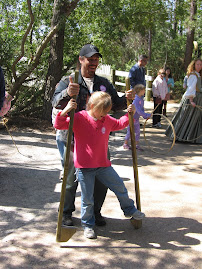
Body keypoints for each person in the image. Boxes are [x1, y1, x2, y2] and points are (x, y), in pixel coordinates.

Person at [51, 44, 135, 227]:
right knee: (71, 177)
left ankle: (95, 212)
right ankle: (66, 212)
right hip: (71, 138)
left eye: (96, 59)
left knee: (101, 178)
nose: (93, 62)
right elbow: (55, 101)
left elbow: (115, 104)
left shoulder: (102, 83)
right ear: (81, 59)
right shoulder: (69, 81)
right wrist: (67, 93)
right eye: (90, 59)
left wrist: (128, 98)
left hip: (97, 140)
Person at [54, 91, 145, 239]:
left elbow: (120, 123)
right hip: (84, 168)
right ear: (91, 106)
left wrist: (130, 113)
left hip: (103, 165)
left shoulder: (106, 120)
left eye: (106, 113)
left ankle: (129, 210)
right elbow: (59, 124)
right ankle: (88, 225)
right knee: (87, 199)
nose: (103, 116)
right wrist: (65, 110)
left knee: (119, 186)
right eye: (101, 113)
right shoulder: (79, 118)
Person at [166, 58, 202, 143]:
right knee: (186, 117)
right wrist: (191, 100)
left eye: (200, 65)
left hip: (197, 98)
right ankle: (181, 136)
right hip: (192, 98)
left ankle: (188, 137)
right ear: (194, 65)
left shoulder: (197, 74)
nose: (199, 66)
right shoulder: (193, 75)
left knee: (194, 119)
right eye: (198, 64)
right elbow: (191, 88)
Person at [123, 84, 151, 151]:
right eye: (144, 90)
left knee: (138, 132)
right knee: (130, 132)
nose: (144, 91)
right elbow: (138, 111)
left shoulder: (141, 99)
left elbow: (141, 109)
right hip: (131, 118)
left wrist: (145, 116)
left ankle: (136, 144)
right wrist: (146, 115)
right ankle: (125, 144)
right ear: (140, 91)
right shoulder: (135, 99)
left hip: (136, 119)